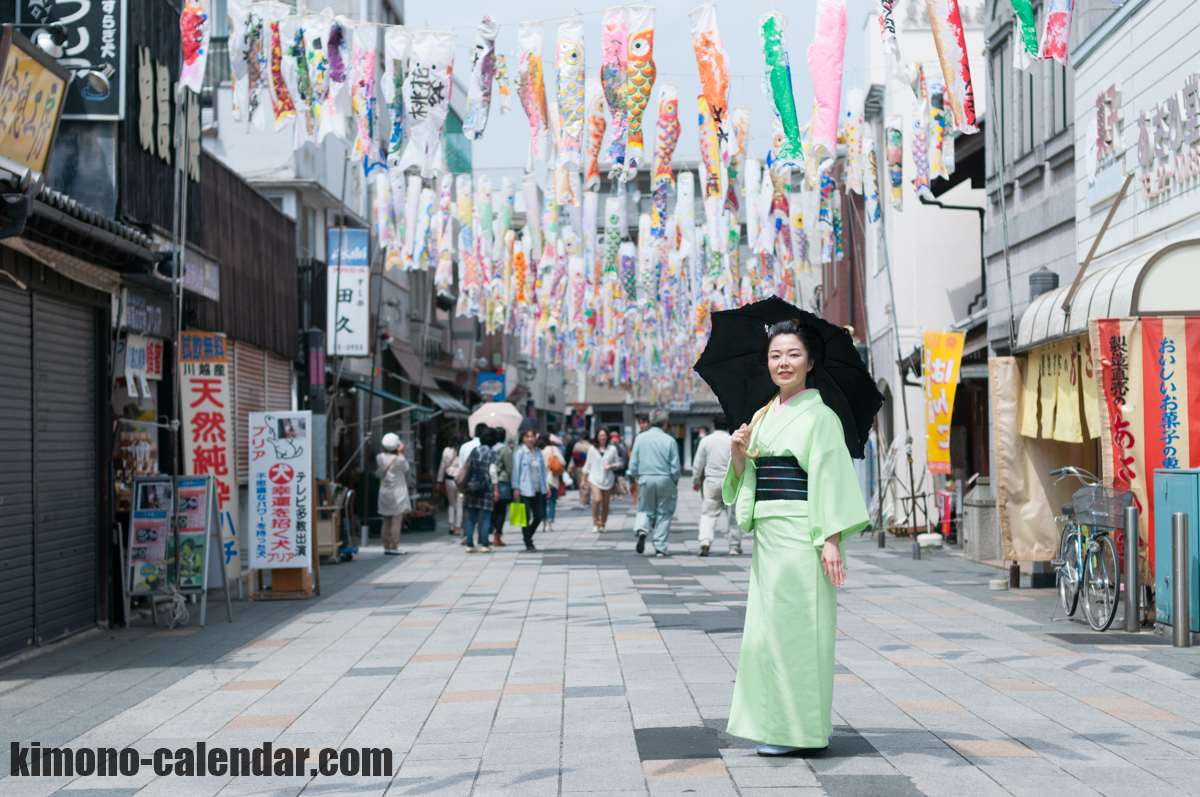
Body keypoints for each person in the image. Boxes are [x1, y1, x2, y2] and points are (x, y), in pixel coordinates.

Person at [723, 320, 869, 756]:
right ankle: (775, 723)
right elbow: (746, 480)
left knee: (798, 633)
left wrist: (830, 539)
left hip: (800, 535)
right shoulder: (765, 415)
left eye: (793, 354)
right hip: (769, 538)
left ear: (810, 362)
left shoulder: (820, 417)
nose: (783, 363)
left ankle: (798, 731)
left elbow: (831, 477)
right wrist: (737, 454)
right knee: (766, 635)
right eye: (775, 355)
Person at [628, 408, 681, 556]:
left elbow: (633, 463)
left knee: (644, 509)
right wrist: (674, 480)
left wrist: (632, 477)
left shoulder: (640, 438)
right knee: (664, 513)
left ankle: (642, 529)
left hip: (645, 478)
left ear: (650, 422)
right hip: (665, 478)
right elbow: (675, 466)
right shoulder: (670, 440)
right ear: (665, 424)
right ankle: (660, 546)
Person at [692, 414, 743, 556]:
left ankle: (705, 542)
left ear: (713, 425)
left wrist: (696, 480)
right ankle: (734, 546)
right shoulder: (732, 440)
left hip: (711, 482)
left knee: (708, 514)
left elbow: (698, 463)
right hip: (730, 482)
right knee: (733, 516)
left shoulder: (706, 441)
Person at [461, 427, 498, 552]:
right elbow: (493, 471)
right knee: (486, 515)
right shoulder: (492, 452)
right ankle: (484, 544)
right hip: (486, 487)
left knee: (472, 515)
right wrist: (496, 489)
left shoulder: (475, 450)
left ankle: (470, 544)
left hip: (473, 486)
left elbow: (468, 466)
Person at [513, 428, 548, 551]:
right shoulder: (520, 452)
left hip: (538, 489)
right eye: (527, 437)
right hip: (524, 490)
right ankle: (528, 542)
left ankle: (527, 536)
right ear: (523, 438)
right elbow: (515, 471)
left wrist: (546, 484)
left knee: (539, 516)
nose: (530, 439)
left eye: (532, 436)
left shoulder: (538, 452)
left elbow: (543, 470)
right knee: (525, 518)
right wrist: (515, 488)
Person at [375, 433, 410, 556]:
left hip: (384, 493)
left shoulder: (379, 457)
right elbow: (406, 468)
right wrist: (400, 452)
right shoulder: (399, 459)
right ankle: (394, 547)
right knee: (396, 521)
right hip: (397, 493)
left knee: (386, 521)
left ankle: (386, 546)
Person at [582, 429, 619, 532]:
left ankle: (602, 523)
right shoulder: (592, 449)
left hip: (608, 479)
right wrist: (583, 480)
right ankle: (595, 522)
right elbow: (587, 465)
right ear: (597, 437)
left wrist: (611, 466)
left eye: (604, 435)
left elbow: (618, 463)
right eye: (601, 435)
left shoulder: (612, 449)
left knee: (606, 504)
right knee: (597, 500)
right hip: (594, 478)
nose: (603, 437)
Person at [437, 433, 465, 535]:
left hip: (449, 479)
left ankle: (451, 525)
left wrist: (439, 480)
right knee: (460, 504)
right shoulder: (462, 451)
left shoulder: (446, 451)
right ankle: (458, 527)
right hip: (460, 480)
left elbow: (442, 467)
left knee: (451, 504)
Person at [490, 426, 514, 547]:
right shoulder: (505, 449)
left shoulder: (490, 447)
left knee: (492, 509)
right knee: (501, 510)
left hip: (490, 482)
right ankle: (497, 535)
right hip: (503, 482)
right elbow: (509, 468)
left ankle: (493, 530)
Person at [539, 433, 566, 532]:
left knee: (542, 503)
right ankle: (549, 524)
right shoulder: (553, 449)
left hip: (541, 481)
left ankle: (543, 522)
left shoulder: (538, 451)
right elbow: (563, 462)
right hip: (552, 479)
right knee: (551, 502)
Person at [570, 434, 592, 506]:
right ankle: (584, 500)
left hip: (578, 467)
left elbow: (573, 456)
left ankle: (582, 499)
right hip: (587, 467)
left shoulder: (577, 445)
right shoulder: (589, 446)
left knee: (580, 484)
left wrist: (570, 467)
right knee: (586, 484)